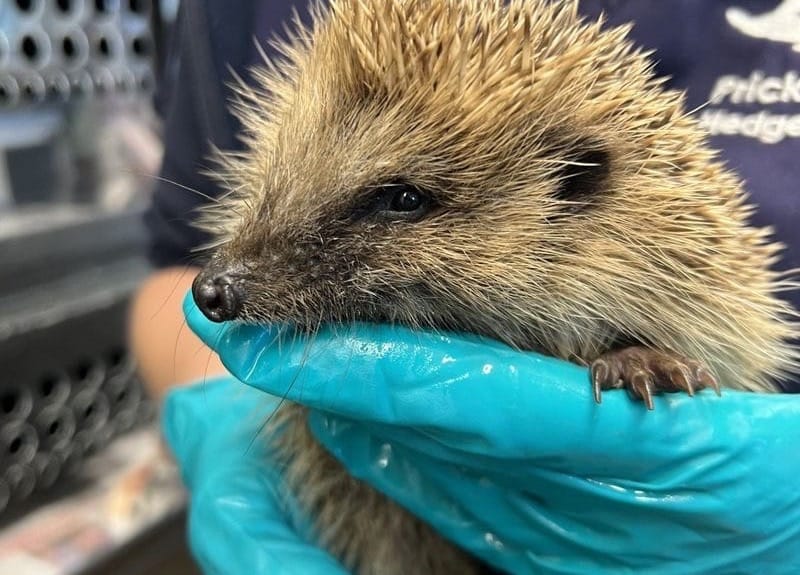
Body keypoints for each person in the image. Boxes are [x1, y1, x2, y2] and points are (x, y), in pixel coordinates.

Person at [129, 1, 800, 573]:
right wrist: (218, 401)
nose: (238, 276)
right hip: (372, 515)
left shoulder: (636, 242)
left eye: (400, 200)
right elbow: (181, 268)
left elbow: (730, 359)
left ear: (567, 190)